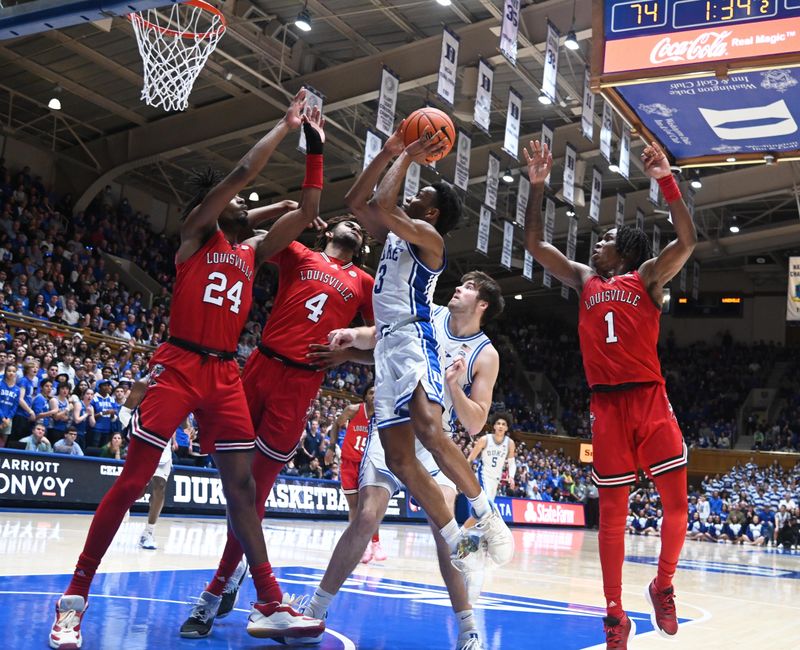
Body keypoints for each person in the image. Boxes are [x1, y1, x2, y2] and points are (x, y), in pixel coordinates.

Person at [48, 90, 327, 649]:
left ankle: (270, 603)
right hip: (177, 365)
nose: (243, 199)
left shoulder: (249, 250)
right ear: (214, 202)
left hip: (225, 375)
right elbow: (244, 171)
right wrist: (284, 124)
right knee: (132, 482)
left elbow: (310, 212)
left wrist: (314, 150)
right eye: (236, 199)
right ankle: (73, 600)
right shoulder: (197, 232)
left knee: (243, 491)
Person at [523, 139, 696, 648]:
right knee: (613, 516)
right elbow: (535, 246)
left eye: (604, 240)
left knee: (677, 504)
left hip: (649, 397)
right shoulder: (583, 279)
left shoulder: (647, 278)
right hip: (606, 404)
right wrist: (537, 188)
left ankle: (663, 584)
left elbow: (685, 241)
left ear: (624, 249)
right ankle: (615, 613)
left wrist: (667, 180)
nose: (594, 245)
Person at [181, 221, 374, 632]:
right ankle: (233, 575)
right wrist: (300, 217)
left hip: (301, 383)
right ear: (330, 230)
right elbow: (244, 229)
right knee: (235, 487)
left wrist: (346, 358)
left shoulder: (364, 282)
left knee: (255, 493)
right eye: (348, 220)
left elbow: (385, 341)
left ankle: (214, 591)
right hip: (259, 367)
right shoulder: (300, 253)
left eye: (360, 227)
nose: (355, 226)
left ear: (364, 244)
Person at [301, 272, 504, 650]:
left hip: (431, 443)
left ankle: (468, 627)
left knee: (445, 523)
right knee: (365, 516)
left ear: (483, 304)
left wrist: (453, 387)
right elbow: (381, 336)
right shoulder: (429, 313)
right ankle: (316, 608)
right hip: (390, 429)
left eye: (469, 286)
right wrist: (350, 339)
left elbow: (476, 421)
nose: (458, 287)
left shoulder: (485, 353)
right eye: (459, 283)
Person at [343, 122, 513, 573]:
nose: (413, 195)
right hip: (388, 346)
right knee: (399, 458)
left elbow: (382, 202)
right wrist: (389, 151)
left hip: (412, 337)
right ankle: (461, 546)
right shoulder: (399, 234)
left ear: (432, 213)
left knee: (431, 432)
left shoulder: (429, 240)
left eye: (422, 197)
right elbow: (357, 202)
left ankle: (487, 516)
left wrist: (408, 155)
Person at [326, 383, 386, 564]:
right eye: (370, 392)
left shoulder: (383, 416)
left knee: (369, 507)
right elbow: (336, 425)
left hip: (369, 464)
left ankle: (375, 543)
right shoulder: (353, 410)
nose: (374, 395)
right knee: (354, 507)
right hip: (349, 464)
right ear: (365, 396)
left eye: (377, 393)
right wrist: (331, 446)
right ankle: (360, 545)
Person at [465, 414, 516, 521]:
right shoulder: (485, 439)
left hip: (495, 478)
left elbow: (512, 463)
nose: (501, 426)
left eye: (503, 424)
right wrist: (464, 473)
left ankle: (464, 531)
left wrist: (511, 476)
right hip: (483, 475)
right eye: (498, 424)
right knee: (488, 506)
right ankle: (488, 534)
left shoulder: (510, 443)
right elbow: (470, 458)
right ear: (494, 426)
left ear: (507, 428)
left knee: (484, 510)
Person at [0, 362, 20, 446]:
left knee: (3, 442)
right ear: (5, 372)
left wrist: (8, 418)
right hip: (1, 416)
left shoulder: (17, 389)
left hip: (8, 419)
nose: (11, 373)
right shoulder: (0, 384)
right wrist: (3, 418)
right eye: (9, 371)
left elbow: (15, 406)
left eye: (13, 371)